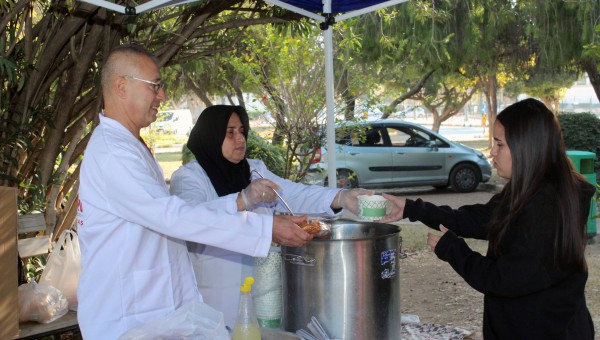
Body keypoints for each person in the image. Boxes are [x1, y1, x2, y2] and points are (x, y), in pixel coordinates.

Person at [76, 44, 312, 339]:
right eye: (155, 86)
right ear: (121, 86)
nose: (162, 95)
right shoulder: (113, 154)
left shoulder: (130, 146)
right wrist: (264, 228)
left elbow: (173, 213)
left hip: (154, 311)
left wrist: (240, 203)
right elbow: (172, 217)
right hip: (128, 316)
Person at [380, 98, 595, 339]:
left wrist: (454, 250)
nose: (492, 151)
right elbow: (481, 219)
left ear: (526, 147)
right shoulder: (529, 190)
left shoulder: (548, 207)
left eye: (499, 144)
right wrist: (413, 209)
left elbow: (504, 279)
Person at [169, 104, 370, 328]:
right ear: (211, 135)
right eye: (230, 132)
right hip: (214, 298)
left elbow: (293, 193)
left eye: (242, 131)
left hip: (262, 294)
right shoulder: (189, 178)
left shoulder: (254, 170)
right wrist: (243, 199)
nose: (240, 139)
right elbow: (191, 221)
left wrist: (341, 197)